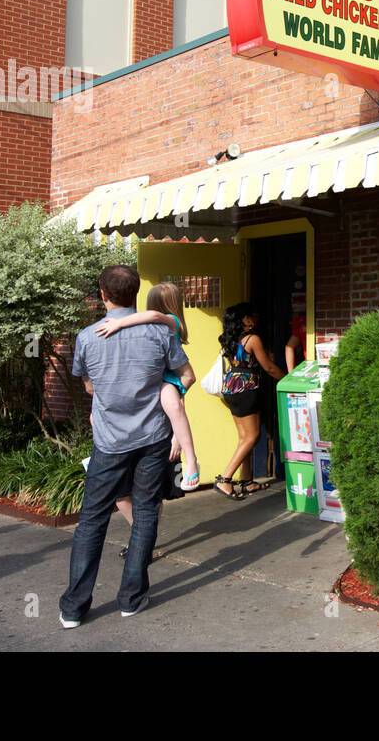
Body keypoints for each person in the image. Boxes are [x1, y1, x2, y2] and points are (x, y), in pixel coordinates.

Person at [59, 265, 194, 628]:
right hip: (152, 438)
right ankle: (131, 599)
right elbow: (185, 376)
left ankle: (74, 608)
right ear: (136, 293)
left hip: (110, 441)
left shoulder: (87, 337)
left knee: (92, 520)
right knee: (146, 513)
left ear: (103, 294)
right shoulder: (161, 332)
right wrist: (168, 395)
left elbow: (89, 387)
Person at [94, 282, 200, 493]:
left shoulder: (170, 320)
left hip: (167, 379)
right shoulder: (148, 325)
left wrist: (119, 323)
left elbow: (153, 315)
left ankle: (191, 460)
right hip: (154, 378)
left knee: (174, 406)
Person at [215, 303, 285, 500]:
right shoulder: (252, 339)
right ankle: (224, 479)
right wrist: (288, 379)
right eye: (252, 315)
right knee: (252, 436)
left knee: (244, 438)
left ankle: (247, 482)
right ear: (244, 319)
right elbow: (268, 367)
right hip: (246, 388)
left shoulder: (229, 339)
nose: (255, 318)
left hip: (231, 387)